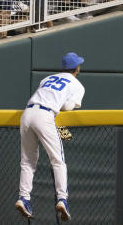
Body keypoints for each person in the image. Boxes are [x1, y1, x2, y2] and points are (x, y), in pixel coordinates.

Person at [16, 52, 86, 222]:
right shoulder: (77, 85)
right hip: (45, 116)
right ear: (77, 68)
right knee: (57, 161)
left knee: (27, 161)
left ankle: (24, 198)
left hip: (27, 114)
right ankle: (62, 199)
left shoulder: (47, 78)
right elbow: (68, 106)